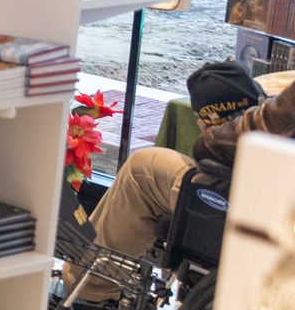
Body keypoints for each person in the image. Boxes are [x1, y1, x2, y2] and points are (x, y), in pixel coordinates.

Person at [87, 84, 295, 275]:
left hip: (271, 215)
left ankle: (90, 295)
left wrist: (209, 137)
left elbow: (233, 140)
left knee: (145, 168)